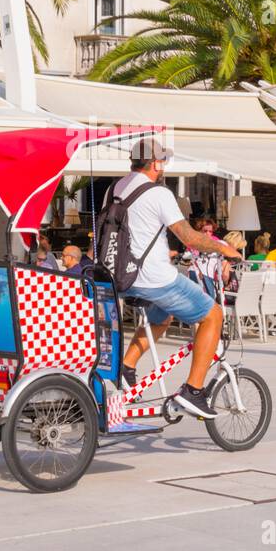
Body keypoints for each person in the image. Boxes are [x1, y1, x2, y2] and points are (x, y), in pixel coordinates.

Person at [111, 138, 242, 419]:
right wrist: (223, 247)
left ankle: (126, 368)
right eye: (163, 161)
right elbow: (189, 236)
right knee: (213, 315)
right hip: (154, 278)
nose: (164, 166)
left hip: (122, 276)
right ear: (156, 163)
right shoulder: (159, 193)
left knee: (163, 318)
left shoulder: (117, 187)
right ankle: (193, 391)